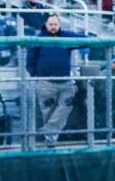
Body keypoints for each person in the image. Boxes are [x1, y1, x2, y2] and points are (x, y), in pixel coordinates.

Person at [25, 14, 86, 146]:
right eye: (50, 24)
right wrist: (36, 75)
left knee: (65, 107)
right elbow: (30, 59)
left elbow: (85, 40)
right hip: (45, 83)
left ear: (59, 25)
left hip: (65, 82)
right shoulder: (38, 38)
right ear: (46, 25)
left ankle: (49, 133)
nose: (53, 27)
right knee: (48, 110)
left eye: (55, 24)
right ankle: (51, 139)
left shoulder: (66, 36)